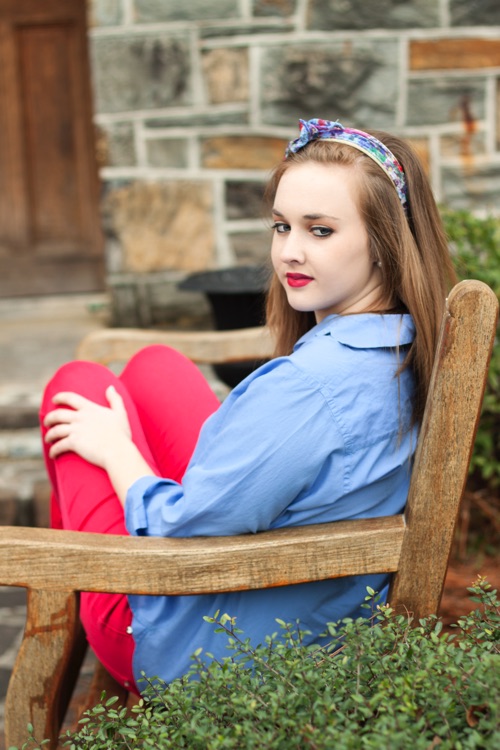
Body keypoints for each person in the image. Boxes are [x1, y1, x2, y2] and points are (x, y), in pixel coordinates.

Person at [41, 119, 457, 693]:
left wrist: (117, 453)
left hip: (198, 648)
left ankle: (72, 595)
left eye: (321, 230)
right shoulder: (404, 345)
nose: (290, 252)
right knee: (155, 366)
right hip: (299, 601)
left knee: (78, 382)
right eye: (282, 226)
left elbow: (183, 528)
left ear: (385, 243)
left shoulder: (307, 386)